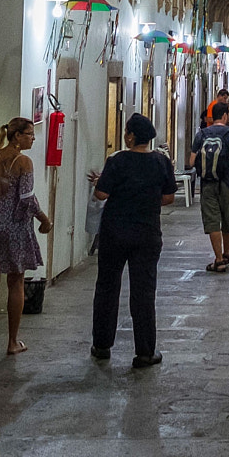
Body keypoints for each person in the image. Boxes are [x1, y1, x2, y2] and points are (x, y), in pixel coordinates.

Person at [91, 113, 178, 367]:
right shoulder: (161, 162)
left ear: (131, 135)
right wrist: (146, 199)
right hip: (147, 234)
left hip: (114, 233)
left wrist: (117, 191)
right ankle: (145, 351)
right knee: (143, 292)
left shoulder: (116, 161)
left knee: (107, 287)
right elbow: (169, 197)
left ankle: (102, 344)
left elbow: (101, 194)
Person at [0, 117, 50, 356]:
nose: (33, 139)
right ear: (17, 136)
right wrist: (44, 219)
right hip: (13, 227)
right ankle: (12, 341)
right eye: (29, 134)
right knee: (15, 281)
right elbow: (27, 199)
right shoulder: (23, 162)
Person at [188, 102, 229, 270]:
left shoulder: (202, 135)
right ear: (224, 116)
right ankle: (227, 252)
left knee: (212, 220)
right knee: (227, 218)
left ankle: (219, 259)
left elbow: (191, 161)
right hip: (227, 182)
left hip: (207, 183)